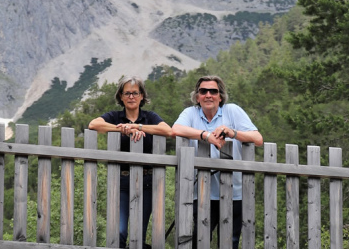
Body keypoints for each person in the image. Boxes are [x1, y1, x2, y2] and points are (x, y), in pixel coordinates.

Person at [171, 75, 263, 249]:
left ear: (220, 96)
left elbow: (257, 138)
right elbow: (175, 130)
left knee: (230, 242)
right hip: (201, 192)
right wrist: (205, 135)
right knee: (198, 240)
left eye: (213, 91)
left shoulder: (232, 111)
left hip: (234, 191)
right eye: (203, 91)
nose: (208, 95)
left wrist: (232, 133)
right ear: (197, 96)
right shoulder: (191, 113)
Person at [88, 76, 172, 249]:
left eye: (135, 93)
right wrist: (122, 128)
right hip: (121, 182)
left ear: (142, 96)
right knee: (119, 231)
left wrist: (138, 127)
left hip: (147, 182)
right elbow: (94, 124)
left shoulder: (149, 117)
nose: (131, 97)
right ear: (121, 96)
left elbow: (167, 130)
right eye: (127, 93)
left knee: (138, 234)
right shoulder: (115, 116)